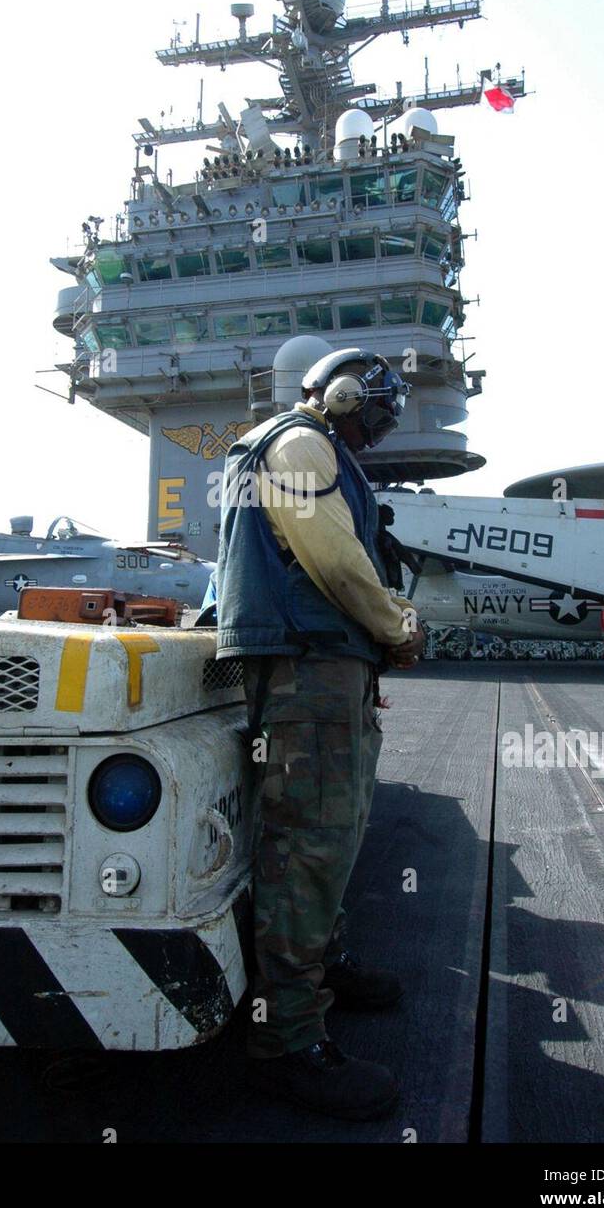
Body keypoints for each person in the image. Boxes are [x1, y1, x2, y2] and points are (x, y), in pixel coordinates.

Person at [214, 347, 420, 1120]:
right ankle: (288, 1042)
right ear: (339, 394)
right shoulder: (299, 444)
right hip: (306, 667)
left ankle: (321, 966)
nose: (374, 430)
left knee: (326, 838)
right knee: (307, 847)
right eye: (372, 412)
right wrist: (395, 626)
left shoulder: (307, 447)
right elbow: (334, 561)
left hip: (323, 666)